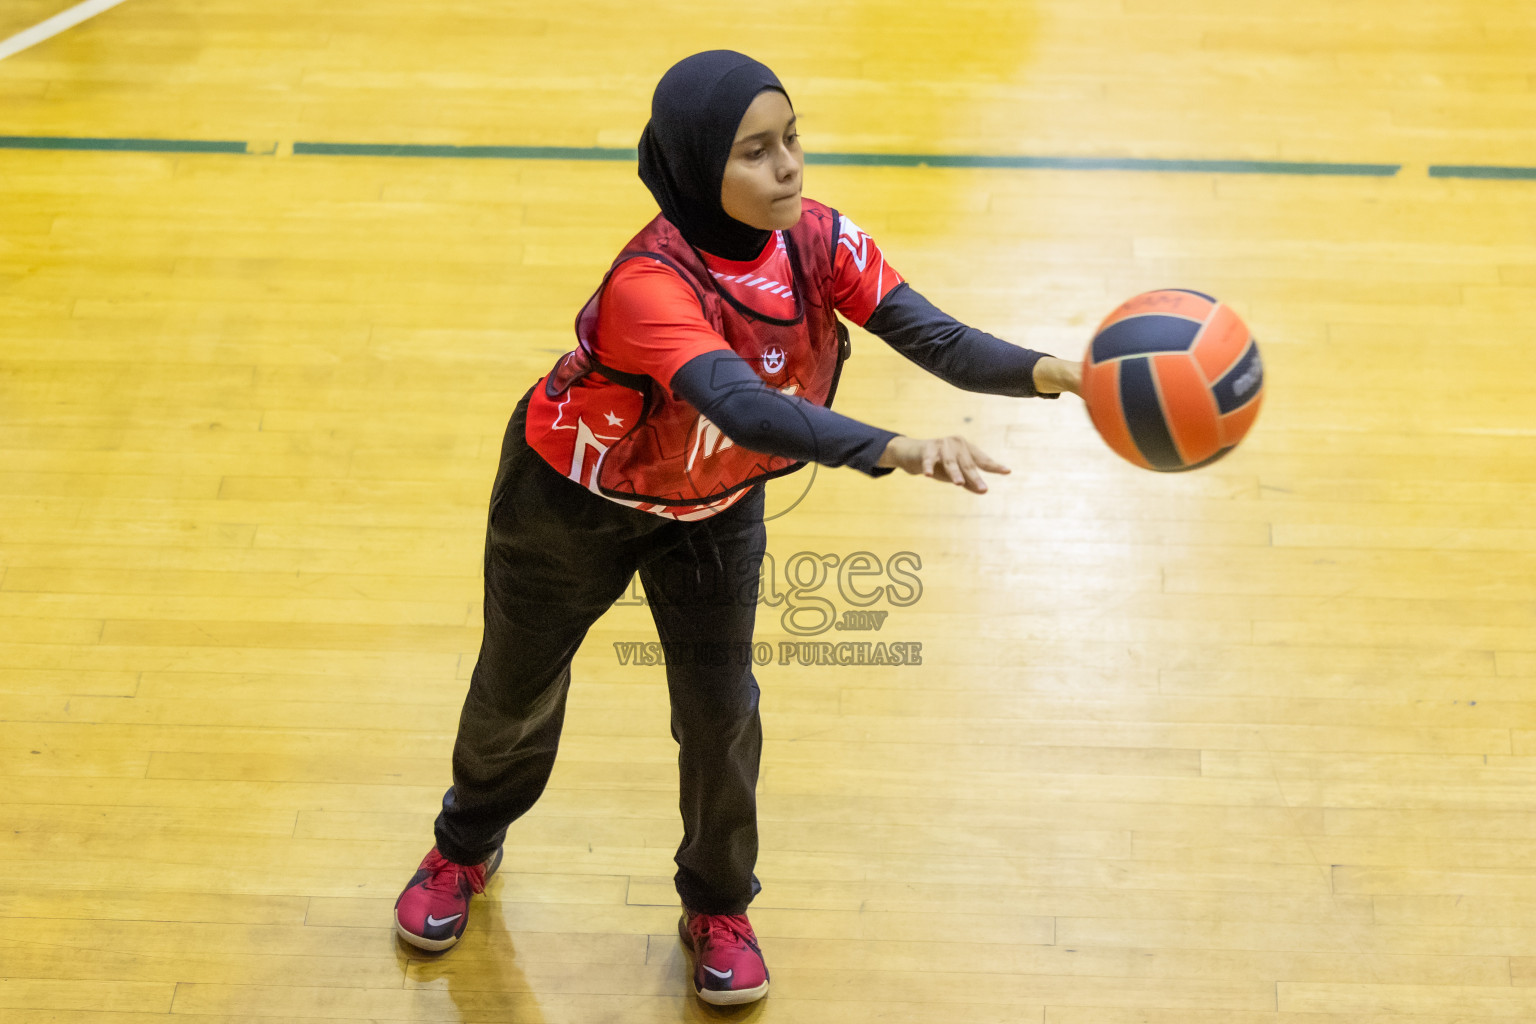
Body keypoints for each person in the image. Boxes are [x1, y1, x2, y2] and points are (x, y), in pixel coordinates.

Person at [392, 50, 1083, 1007]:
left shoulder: (821, 242)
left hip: (714, 510)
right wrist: (896, 449)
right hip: (570, 505)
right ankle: (463, 847)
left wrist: (1067, 374)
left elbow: (939, 338)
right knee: (516, 693)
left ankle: (718, 905)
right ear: (694, 168)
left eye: (792, 139)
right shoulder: (650, 284)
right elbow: (745, 406)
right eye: (755, 153)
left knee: (722, 715)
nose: (789, 168)